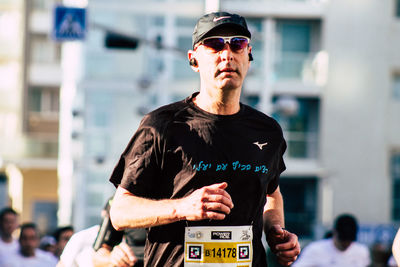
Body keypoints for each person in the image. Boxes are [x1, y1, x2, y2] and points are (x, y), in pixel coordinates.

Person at [108, 11, 300, 266]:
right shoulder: (162, 126)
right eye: (215, 44)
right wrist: (183, 207)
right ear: (193, 59)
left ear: (249, 56)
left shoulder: (267, 131)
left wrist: (276, 231)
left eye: (238, 44)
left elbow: (271, 194)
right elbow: (120, 212)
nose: (227, 54)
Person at [58, 197, 144, 267]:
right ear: (104, 214)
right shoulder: (80, 238)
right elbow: (63, 264)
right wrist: (111, 259)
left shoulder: (125, 238)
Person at [292, 214, 370, 267]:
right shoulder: (315, 249)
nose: (346, 244)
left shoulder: (362, 251)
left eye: (349, 240)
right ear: (334, 232)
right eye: (343, 240)